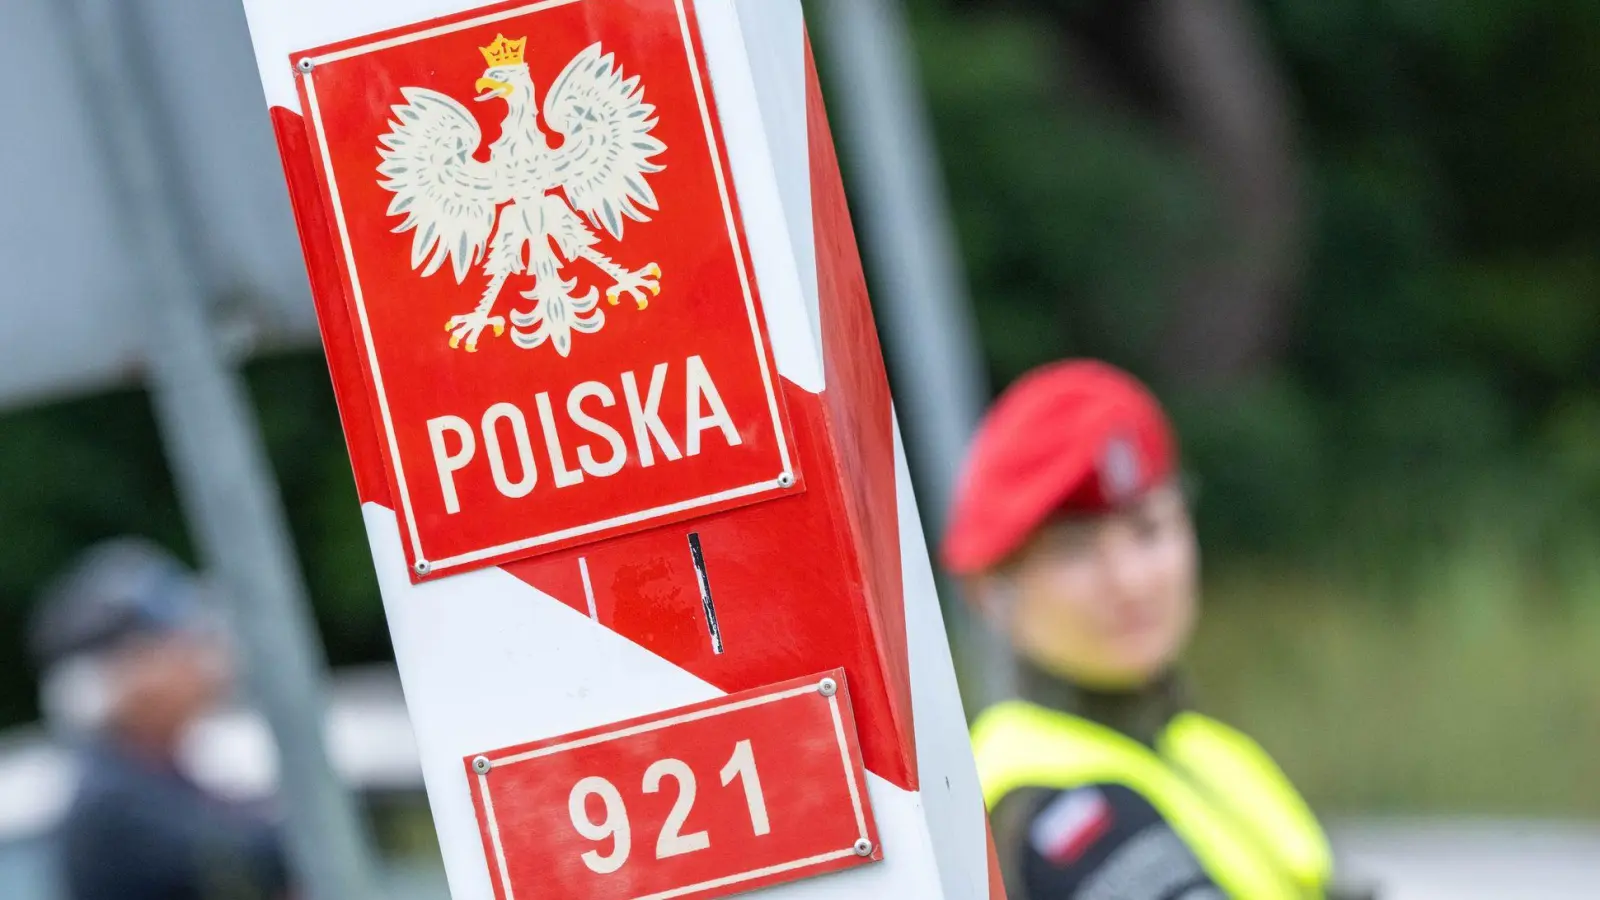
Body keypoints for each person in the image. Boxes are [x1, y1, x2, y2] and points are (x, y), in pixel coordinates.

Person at [944, 360, 1373, 899]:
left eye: (1148, 530)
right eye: (1074, 551)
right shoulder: (1041, 796)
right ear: (991, 592)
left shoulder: (1208, 749)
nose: (1130, 580)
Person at [28, 538, 295, 900]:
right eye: (172, 638)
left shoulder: (162, 779)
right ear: (124, 677)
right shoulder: (111, 806)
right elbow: (256, 853)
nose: (198, 649)